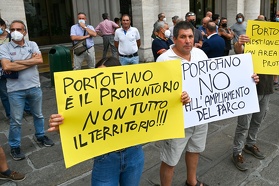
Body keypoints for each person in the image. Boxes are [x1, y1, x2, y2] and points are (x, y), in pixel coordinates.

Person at [48, 57, 144, 186]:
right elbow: (80, 123)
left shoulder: (134, 95)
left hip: (134, 154)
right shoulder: (88, 102)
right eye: (97, 76)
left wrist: (178, 100)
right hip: (106, 159)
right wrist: (63, 127)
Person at [156, 21, 208, 186]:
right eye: (183, 37)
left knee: (195, 149)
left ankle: (191, 181)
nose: (188, 41)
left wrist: (247, 79)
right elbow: (157, 93)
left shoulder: (200, 54)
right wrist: (176, 98)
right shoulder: (164, 60)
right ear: (174, 39)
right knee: (170, 159)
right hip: (177, 120)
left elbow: (211, 80)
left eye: (191, 36)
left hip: (200, 115)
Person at [0, 20, 54, 160]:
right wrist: (30, 61)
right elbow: (6, 67)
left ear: (25, 31)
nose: (15, 32)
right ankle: (14, 146)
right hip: (15, 90)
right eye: (12, 29)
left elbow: (39, 61)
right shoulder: (4, 48)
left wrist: (16, 62)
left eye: (19, 29)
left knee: (39, 115)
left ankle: (41, 136)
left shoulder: (32, 44)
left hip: (34, 87)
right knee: (16, 120)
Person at [231, 34, 273, 171]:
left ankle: (250, 144)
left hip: (266, 89)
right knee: (243, 124)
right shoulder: (249, 46)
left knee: (258, 120)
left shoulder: (275, 46)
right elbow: (238, 50)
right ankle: (237, 152)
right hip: (248, 90)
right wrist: (239, 43)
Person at [0, 18, 11, 118]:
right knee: (4, 93)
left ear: (3, 26)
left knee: (21, 88)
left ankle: (27, 108)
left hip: (13, 67)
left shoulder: (12, 36)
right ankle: (9, 113)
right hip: (0, 70)